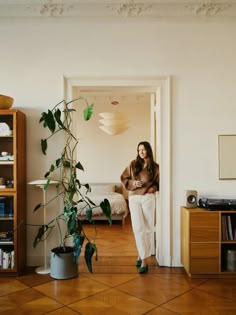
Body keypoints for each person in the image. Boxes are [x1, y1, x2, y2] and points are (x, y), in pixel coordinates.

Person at [120, 141, 159, 274]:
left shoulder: (155, 167)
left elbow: (159, 184)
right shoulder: (133, 164)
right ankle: (144, 259)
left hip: (148, 198)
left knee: (148, 228)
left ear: (148, 150)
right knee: (138, 228)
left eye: (143, 150)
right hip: (134, 198)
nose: (141, 152)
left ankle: (141, 256)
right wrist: (133, 183)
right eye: (138, 150)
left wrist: (152, 189)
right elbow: (123, 178)